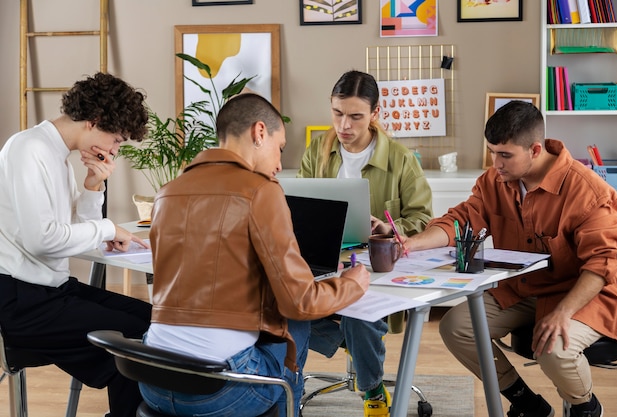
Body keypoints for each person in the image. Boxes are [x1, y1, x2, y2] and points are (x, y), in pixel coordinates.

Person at [141, 93, 371, 417]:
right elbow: (301, 302)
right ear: (259, 132)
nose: (279, 164)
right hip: (219, 391)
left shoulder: (167, 193)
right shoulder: (261, 190)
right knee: (295, 326)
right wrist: (353, 283)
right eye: (279, 148)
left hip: (151, 379)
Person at [403, 100, 617, 417]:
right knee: (455, 327)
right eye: (492, 152)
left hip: (584, 294)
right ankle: (528, 404)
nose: (496, 163)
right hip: (525, 289)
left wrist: (563, 312)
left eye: (505, 155)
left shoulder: (588, 191)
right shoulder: (494, 181)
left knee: (554, 349)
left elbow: (604, 264)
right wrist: (411, 244)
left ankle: (586, 407)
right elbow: (462, 221)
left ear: (535, 150)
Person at [0, 72, 153, 417]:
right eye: (116, 139)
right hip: (19, 302)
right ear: (94, 121)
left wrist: (93, 187)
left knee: (154, 320)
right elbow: (43, 241)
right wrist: (106, 227)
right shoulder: (28, 149)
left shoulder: (59, 159)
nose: (114, 150)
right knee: (136, 336)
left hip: (50, 291)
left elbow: (74, 236)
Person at [297, 70, 433, 417]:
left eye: (356, 116)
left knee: (359, 314)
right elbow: (298, 205)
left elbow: (422, 218)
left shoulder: (401, 159)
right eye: (338, 113)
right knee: (280, 301)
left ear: (375, 114)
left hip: (379, 268)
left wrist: (386, 229)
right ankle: (356, 348)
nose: (344, 125)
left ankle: (373, 391)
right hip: (324, 262)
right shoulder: (317, 152)